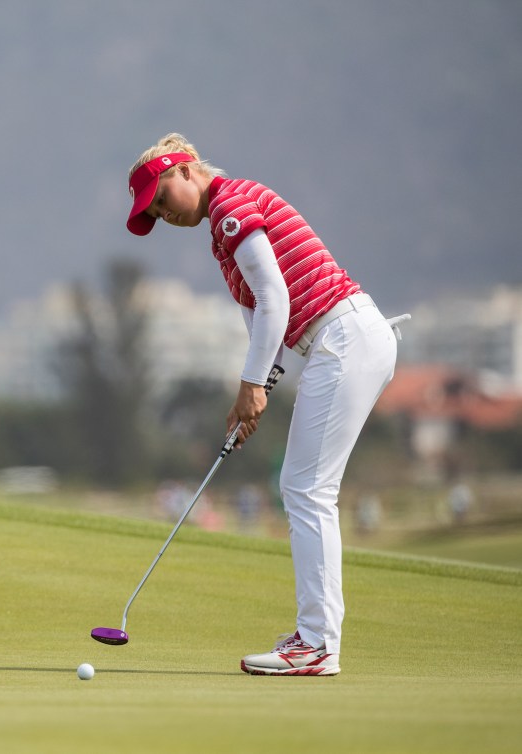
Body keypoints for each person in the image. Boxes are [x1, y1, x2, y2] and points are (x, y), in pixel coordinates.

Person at [126, 133, 399, 676]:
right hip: (341, 339)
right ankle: (316, 639)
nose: (164, 214)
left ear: (183, 171)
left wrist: (251, 385)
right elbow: (261, 320)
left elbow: (275, 298)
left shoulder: (229, 206)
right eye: (154, 212)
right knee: (305, 487)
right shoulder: (223, 230)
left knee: (306, 488)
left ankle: (318, 645)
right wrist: (257, 388)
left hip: (344, 336)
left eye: (161, 198)